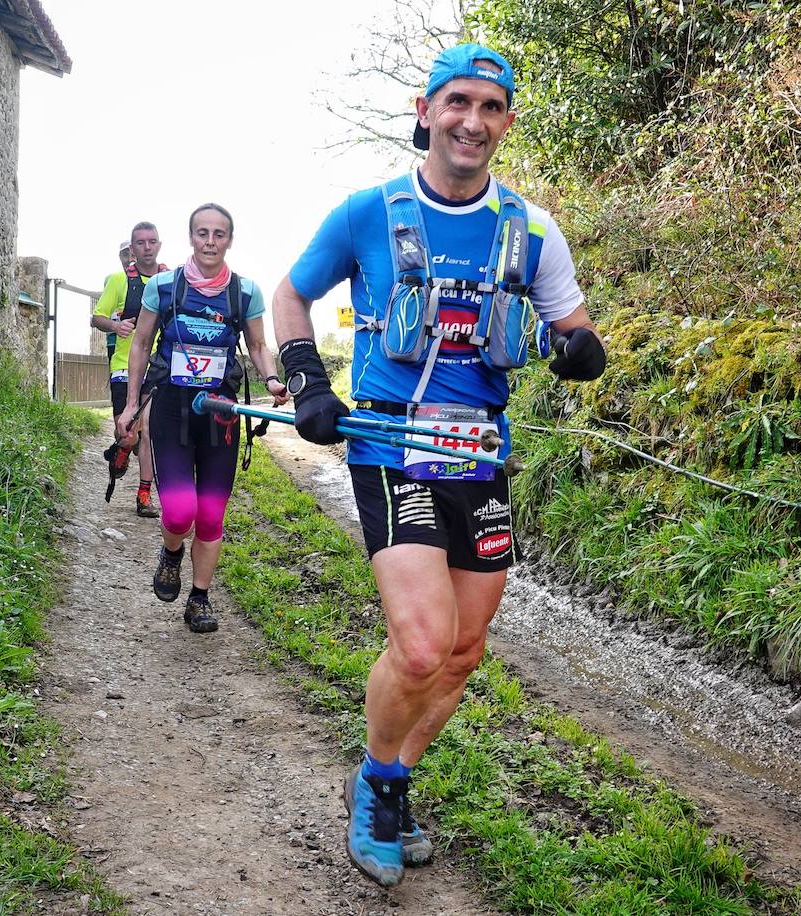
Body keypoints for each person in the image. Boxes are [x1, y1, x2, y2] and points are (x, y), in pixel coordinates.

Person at [272, 43, 607, 887]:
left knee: (463, 653)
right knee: (422, 646)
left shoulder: (530, 229)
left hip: (480, 452)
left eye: (491, 107)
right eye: (458, 102)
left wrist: (577, 350)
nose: (473, 121)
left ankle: (391, 776)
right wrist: (308, 379)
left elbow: (572, 324)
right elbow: (289, 295)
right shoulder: (367, 212)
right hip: (392, 444)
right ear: (426, 112)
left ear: (506, 122)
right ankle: (379, 793)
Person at [118, 204, 288, 633]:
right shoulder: (163, 286)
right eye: (202, 233)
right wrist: (131, 404)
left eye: (219, 234)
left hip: (220, 414)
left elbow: (257, 345)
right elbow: (140, 344)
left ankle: (199, 598)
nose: (210, 242)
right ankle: (172, 552)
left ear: (229, 240)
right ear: (190, 237)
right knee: (178, 512)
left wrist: (271, 379)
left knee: (211, 514)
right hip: (172, 409)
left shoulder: (245, 293)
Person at [94, 224, 166, 517]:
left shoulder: (169, 280)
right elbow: (97, 317)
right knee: (129, 435)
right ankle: (123, 448)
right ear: (131, 250)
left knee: (149, 431)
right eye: (140, 243)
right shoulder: (118, 280)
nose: (147, 248)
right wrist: (115, 325)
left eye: (151, 242)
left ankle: (144, 495)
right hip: (124, 366)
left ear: (159, 245)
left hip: (159, 367)